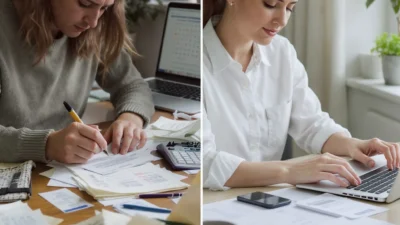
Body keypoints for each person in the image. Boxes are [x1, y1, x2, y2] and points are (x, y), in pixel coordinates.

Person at [203, 0, 400, 190]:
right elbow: (204, 161)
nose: (282, 20)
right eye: (270, 4)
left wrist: (353, 145)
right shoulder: (197, 63)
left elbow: (313, 124)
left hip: (270, 200)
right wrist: (289, 170)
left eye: (290, 8)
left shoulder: (282, 53)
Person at [0, 0, 155, 164]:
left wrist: (130, 119)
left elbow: (133, 85)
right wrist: (47, 144)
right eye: (85, 4)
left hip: (58, 172)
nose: (93, 22)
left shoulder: (94, 31)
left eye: (104, 8)